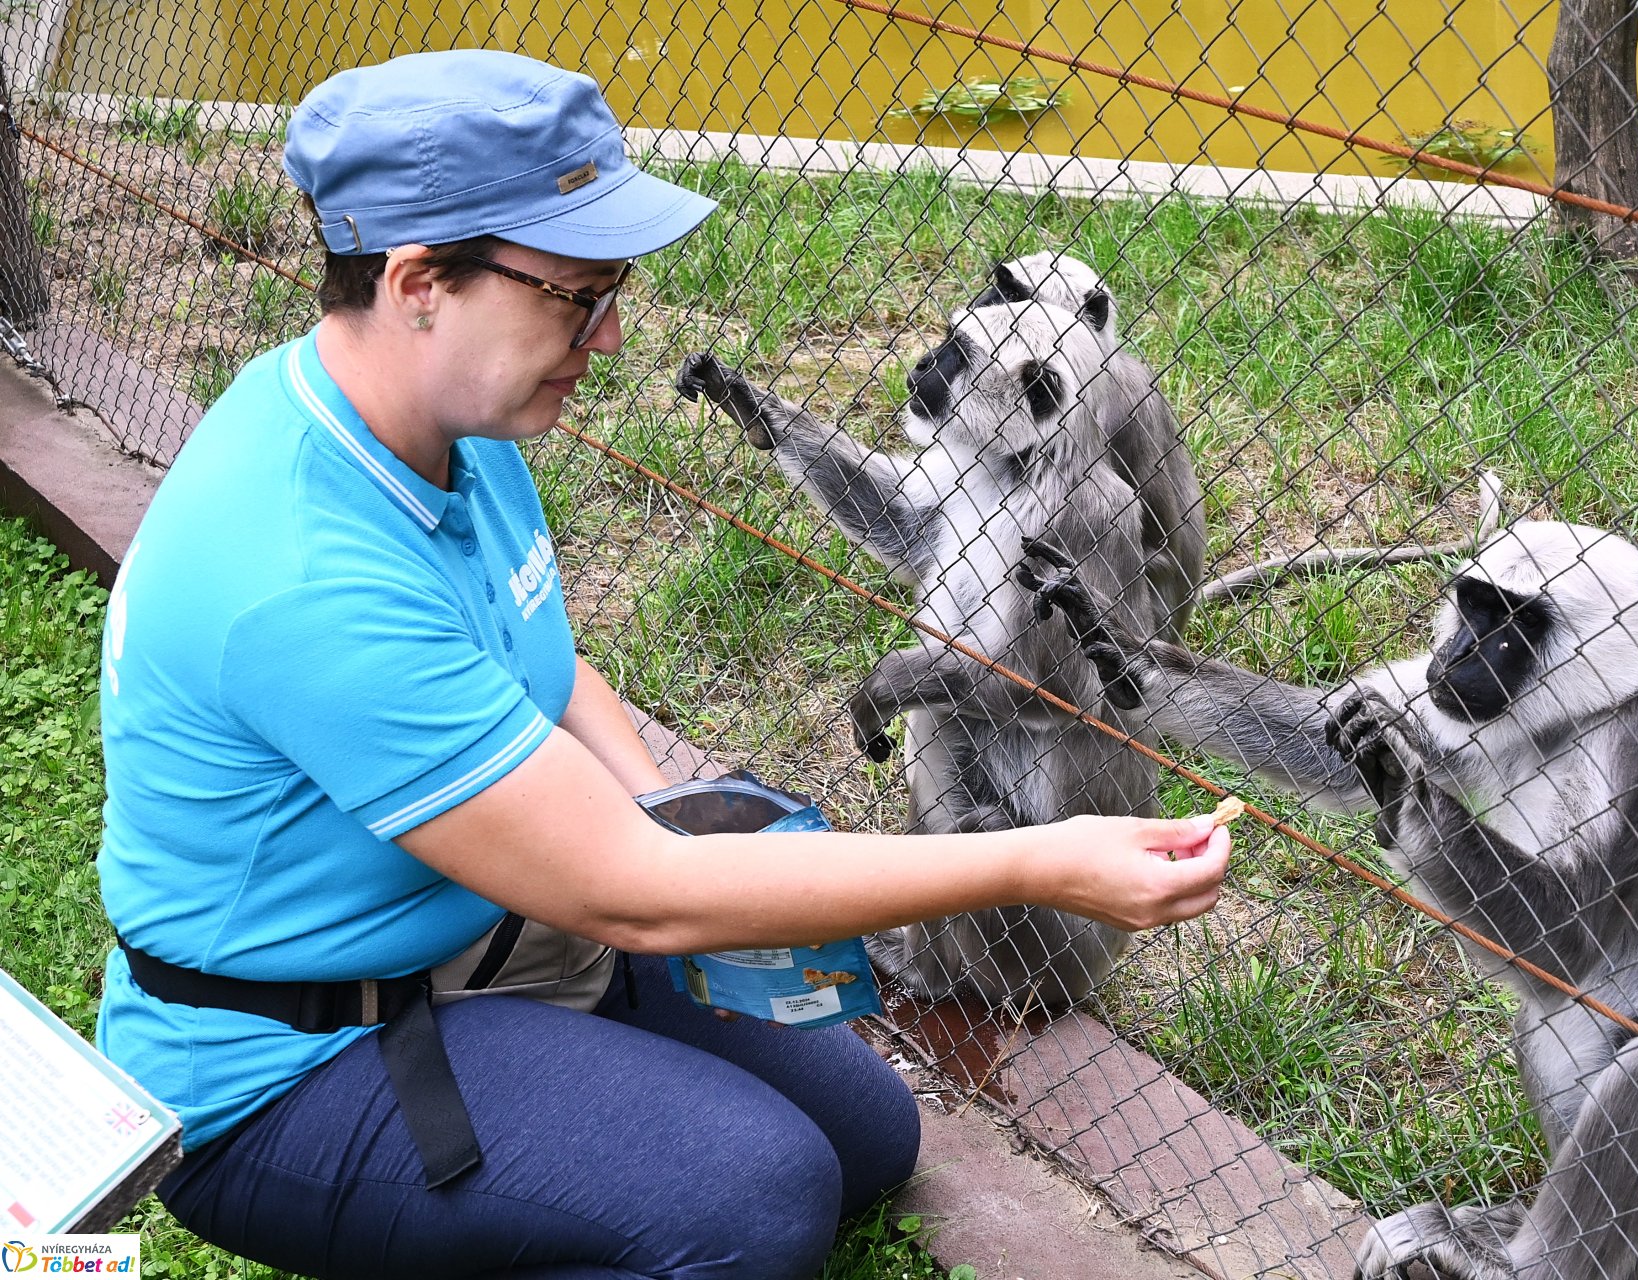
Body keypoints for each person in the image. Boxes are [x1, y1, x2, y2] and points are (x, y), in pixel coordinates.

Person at [93, 48, 1231, 1280]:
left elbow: (544, 663)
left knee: (868, 1135)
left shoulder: (440, 420)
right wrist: (1041, 859)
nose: (613, 331)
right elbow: (635, 895)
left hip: (483, 931)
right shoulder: (300, 569)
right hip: (304, 1048)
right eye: (576, 296)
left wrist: (662, 799)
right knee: (758, 1206)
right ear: (420, 280)